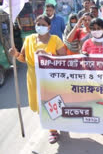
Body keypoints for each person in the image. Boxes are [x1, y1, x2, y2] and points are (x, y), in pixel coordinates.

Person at [9, 15, 66, 144]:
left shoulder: (55, 40)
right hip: (34, 78)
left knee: (52, 103)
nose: (40, 27)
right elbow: (23, 58)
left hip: (51, 79)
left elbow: (64, 58)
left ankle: (54, 128)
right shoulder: (28, 39)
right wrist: (16, 54)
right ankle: (52, 130)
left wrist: (49, 56)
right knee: (40, 105)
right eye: (38, 24)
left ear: (49, 26)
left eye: (43, 25)